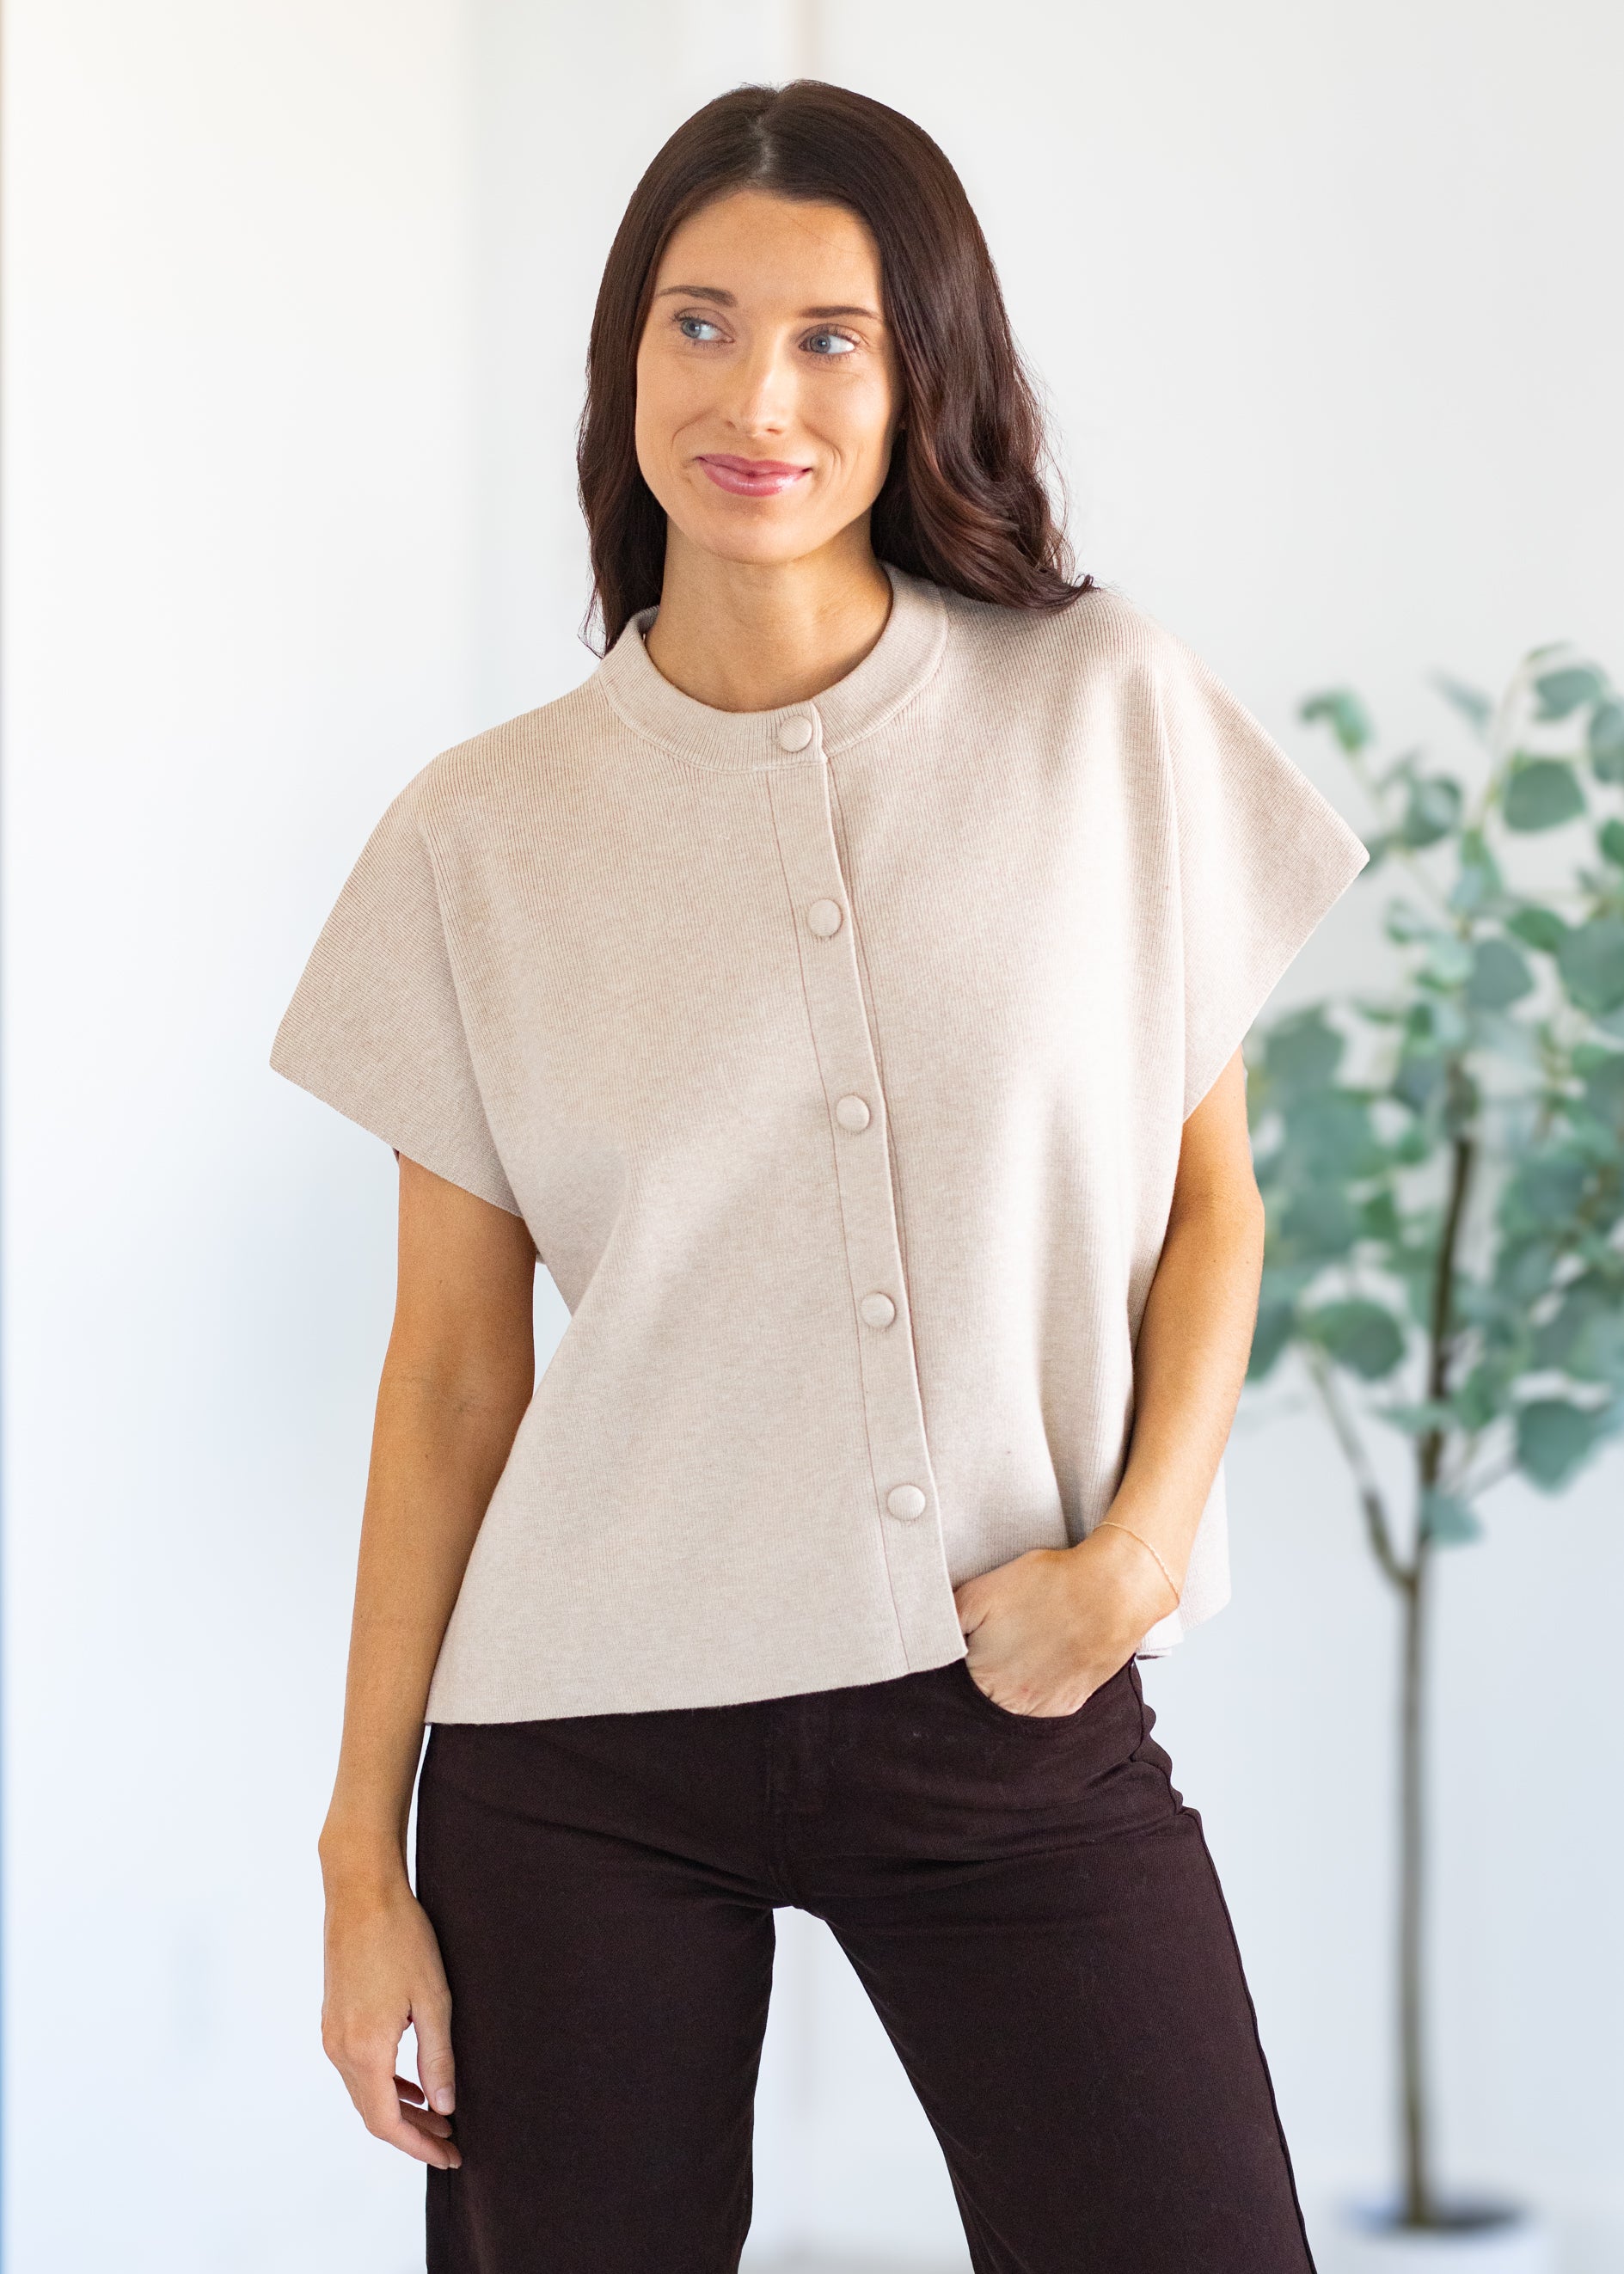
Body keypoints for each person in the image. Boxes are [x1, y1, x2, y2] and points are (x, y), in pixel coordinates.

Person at [273, 79, 1366, 2274]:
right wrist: (362, 1871)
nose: (752, 395)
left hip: (1011, 1693)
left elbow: (1213, 1208)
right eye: (697, 325)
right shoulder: (477, 838)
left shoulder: (1104, 714)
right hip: (576, 1753)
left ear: (921, 372)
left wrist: (1138, 1560)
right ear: (624, 360)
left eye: (828, 339)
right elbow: (452, 1385)